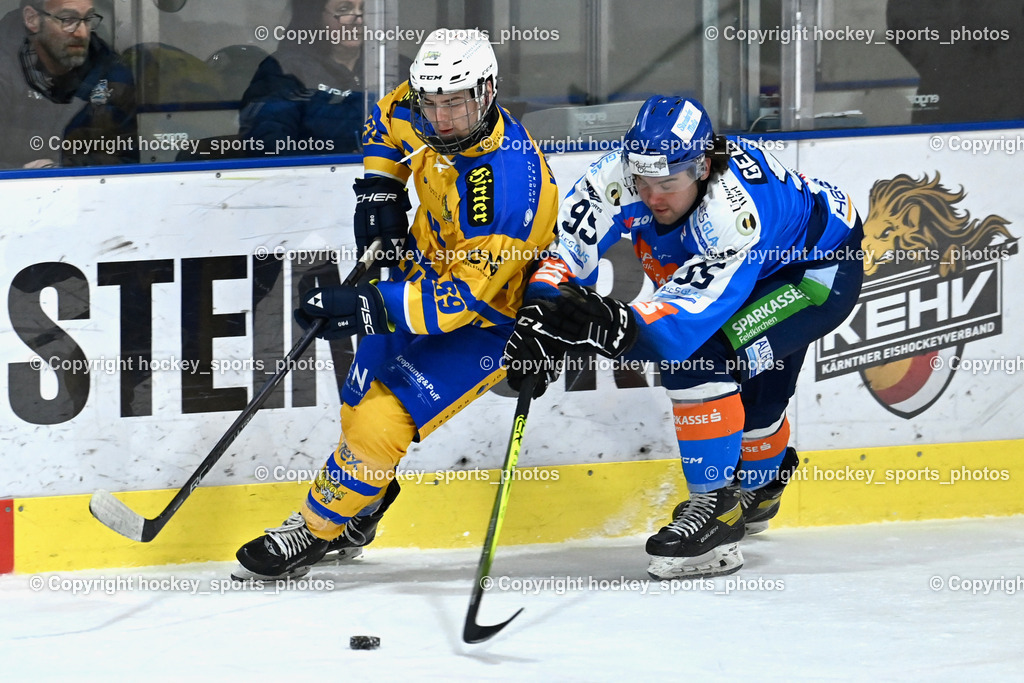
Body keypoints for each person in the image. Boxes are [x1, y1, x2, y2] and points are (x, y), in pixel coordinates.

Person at [232, 28, 559, 581]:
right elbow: (385, 119)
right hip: (420, 278)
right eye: (430, 103)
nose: (440, 118)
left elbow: (456, 304)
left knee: (382, 421)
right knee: (360, 403)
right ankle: (362, 508)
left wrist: (362, 305)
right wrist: (380, 190)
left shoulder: (507, 190)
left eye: (454, 103)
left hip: (491, 317)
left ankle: (314, 532)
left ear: (487, 91)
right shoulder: (423, 102)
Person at [503, 96, 864, 579]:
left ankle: (716, 511)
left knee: (699, 360)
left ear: (702, 167)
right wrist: (540, 313)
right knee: (754, 412)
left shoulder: (730, 214)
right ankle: (760, 486)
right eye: (643, 182)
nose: (653, 197)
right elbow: (568, 248)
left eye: (669, 183)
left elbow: (675, 333)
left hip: (812, 272)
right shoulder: (618, 174)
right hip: (756, 259)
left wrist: (599, 325)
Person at [239, 0, 393, 157]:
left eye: (365, 9)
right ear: (316, 16)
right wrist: (342, 161)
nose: (359, 19)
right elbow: (267, 143)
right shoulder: (285, 69)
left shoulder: (396, 67)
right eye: (344, 9)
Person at [0, 0, 137, 168]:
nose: (82, 33)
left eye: (87, 19)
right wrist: (19, 176)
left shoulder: (112, 75)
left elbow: (127, 165)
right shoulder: (6, 71)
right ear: (32, 19)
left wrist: (66, 169)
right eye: (67, 20)